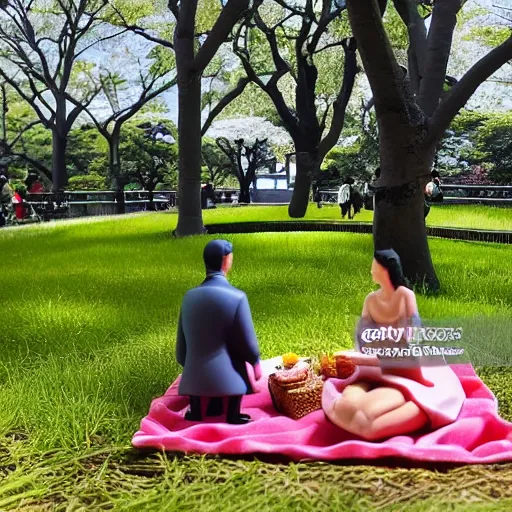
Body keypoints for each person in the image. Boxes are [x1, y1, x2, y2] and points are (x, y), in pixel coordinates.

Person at [322, 249, 465, 440]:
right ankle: (362, 405)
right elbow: (363, 336)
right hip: (375, 361)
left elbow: (414, 332)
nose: (371, 270)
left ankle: (416, 408)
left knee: (369, 422)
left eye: (375, 266)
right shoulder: (371, 299)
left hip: (404, 360)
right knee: (349, 408)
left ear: (386, 269)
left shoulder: (405, 295)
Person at [176, 239, 262, 424]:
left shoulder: (189, 298)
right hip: (230, 379)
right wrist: (255, 361)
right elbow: (247, 341)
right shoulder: (237, 298)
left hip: (193, 379)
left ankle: (196, 411)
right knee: (234, 352)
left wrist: (186, 362)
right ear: (225, 261)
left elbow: (181, 347)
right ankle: (233, 414)